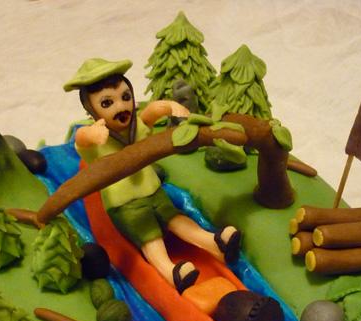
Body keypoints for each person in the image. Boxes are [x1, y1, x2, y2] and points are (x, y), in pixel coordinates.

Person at [63, 58, 241, 293]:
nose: (121, 107)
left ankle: (214, 243)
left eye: (125, 97)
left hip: (153, 190)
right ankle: (170, 272)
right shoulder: (97, 139)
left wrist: (169, 106)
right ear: (92, 110)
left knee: (174, 218)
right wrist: (91, 134)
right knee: (150, 236)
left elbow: (148, 116)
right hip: (125, 203)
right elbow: (81, 140)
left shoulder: (134, 128)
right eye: (107, 103)